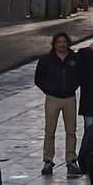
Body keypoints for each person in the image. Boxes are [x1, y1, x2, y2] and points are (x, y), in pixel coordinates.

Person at [34, 31, 83, 177]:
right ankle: (48, 161)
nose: (62, 44)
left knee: (71, 131)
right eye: (59, 42)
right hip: (52, 98)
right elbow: (38, 79)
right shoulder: (46, 60)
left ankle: (71, 160)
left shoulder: (75, 58)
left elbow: (80, 75)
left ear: (68, 43)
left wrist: (73, 86)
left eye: (64, 42)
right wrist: (48, 90)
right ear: (54, 44)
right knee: (49, 131)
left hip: (69, 98)